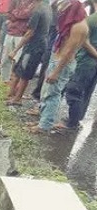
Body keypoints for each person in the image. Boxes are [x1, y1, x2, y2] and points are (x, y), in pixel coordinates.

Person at [30, 0, 88, 133]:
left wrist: (56, 71)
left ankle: (44, 125)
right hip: (57, 59)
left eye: (66, 9)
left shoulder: (78, 27)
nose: (63, 12)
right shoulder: (72, 23)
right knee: (47, 92)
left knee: (53, 95)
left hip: (62, 63)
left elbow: (69, 51)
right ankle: (43, 119)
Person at [6, 0, 53, 104]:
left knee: (24, 72)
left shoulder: (37, 10)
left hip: (34, 46)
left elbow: (29, 33)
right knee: (19, 69)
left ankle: (17, 98)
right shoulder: (47, 7)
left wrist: (15, 50)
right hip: (40, 43)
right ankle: (11, 93)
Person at [61, 10, 97, 128]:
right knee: (86, 91)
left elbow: (84, 42)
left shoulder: (90, 20)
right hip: (92, 64)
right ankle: (76, 118)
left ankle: (72, 123)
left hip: (86, 61)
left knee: (74, 91)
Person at [1, 0, 44, 83]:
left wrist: (16, 14)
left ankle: (13, 85)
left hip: (23, 35)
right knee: (5, 60)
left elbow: (29, 14)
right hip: (11, 31)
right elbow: (8, 14)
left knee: (19, 63)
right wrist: (20, 14)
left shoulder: (33, 3)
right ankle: (4, 81)